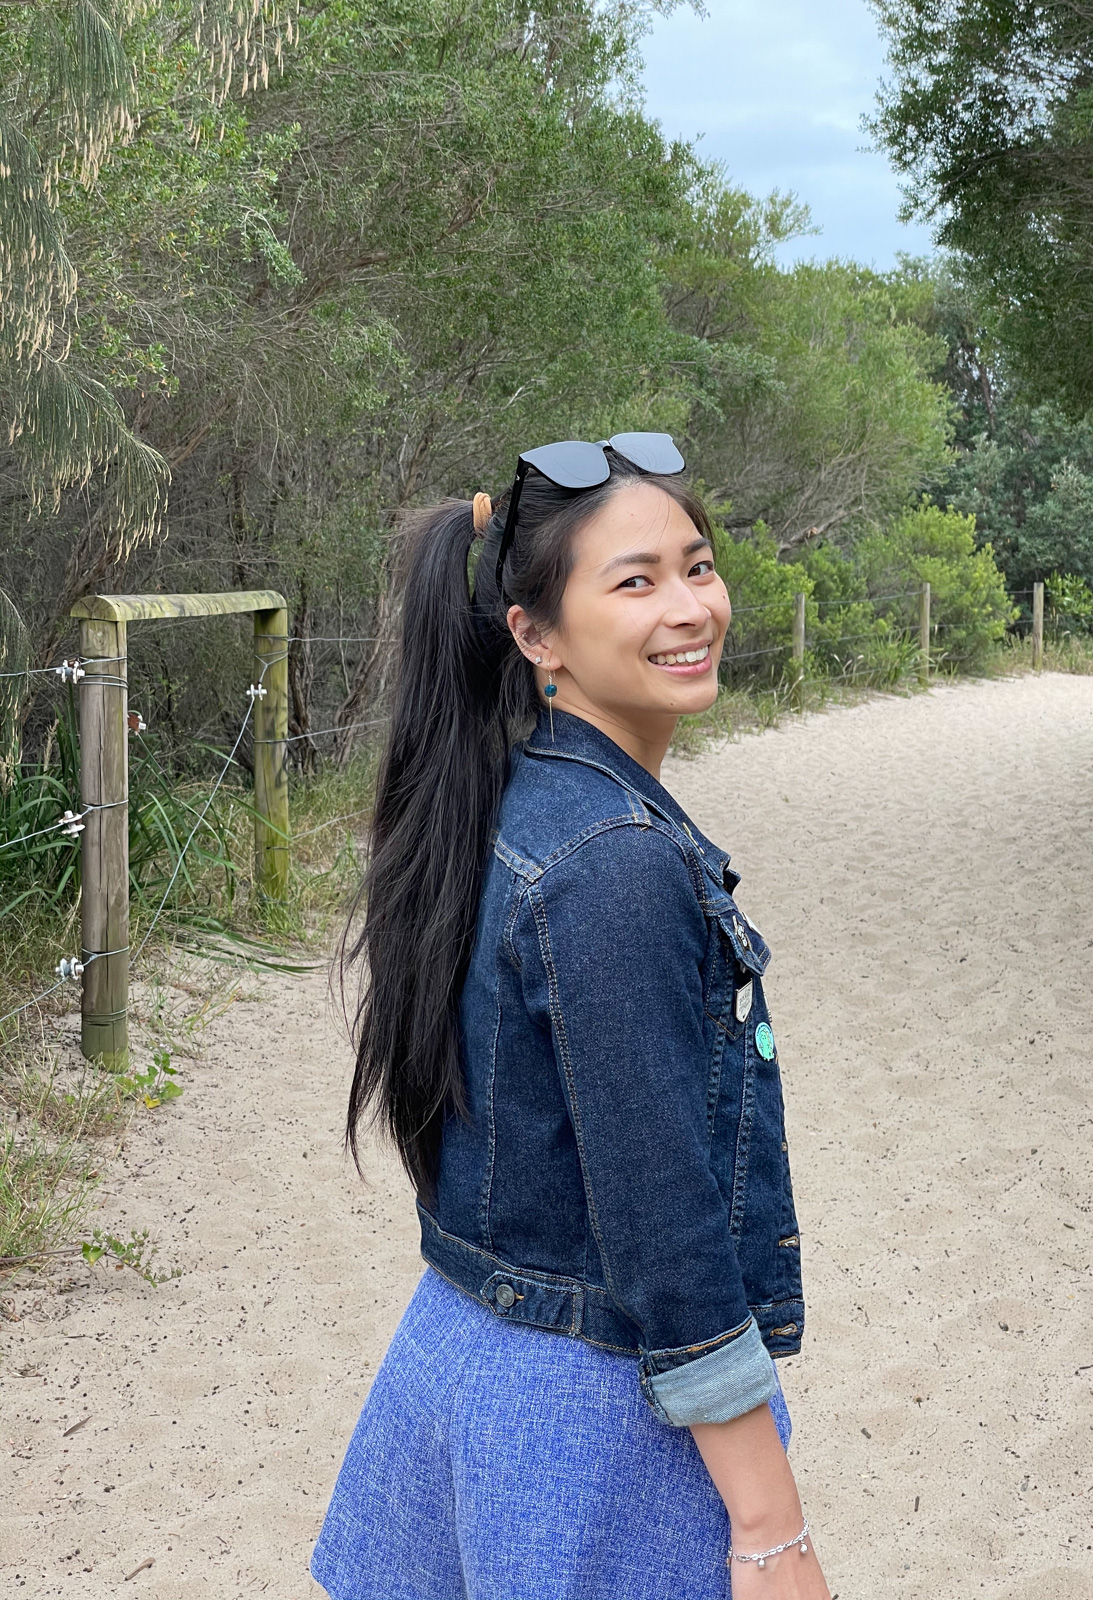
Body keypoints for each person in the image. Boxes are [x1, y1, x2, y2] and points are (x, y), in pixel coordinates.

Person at [310, 434, 832, 1600]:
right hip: (590, 1408)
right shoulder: (614, 863)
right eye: (634, 581)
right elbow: (664, 1227)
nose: (690, 606)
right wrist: (771, 1524)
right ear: (536, 635)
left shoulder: (509, 794)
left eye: (697, 565)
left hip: (465, 1354)